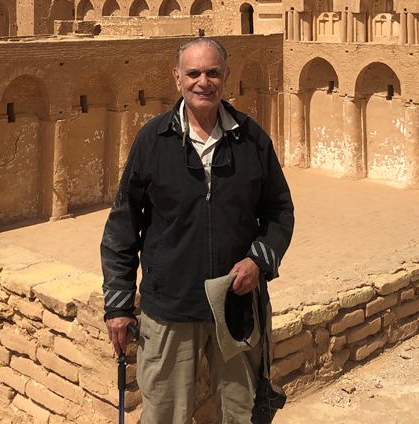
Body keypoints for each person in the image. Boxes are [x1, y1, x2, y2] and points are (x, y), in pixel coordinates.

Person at [100, 37, 295, 423]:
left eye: (212, 73)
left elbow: (279, 210)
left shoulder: (251, 138)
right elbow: (123, 224)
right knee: (164, 416)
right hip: (170, 307)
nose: (203, 81)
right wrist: (119, 303)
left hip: (236, 309)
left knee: (238, 414)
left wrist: (260, 260)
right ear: (177, 79)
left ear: (226, 77)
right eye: (193, 73)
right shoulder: (153, 140)